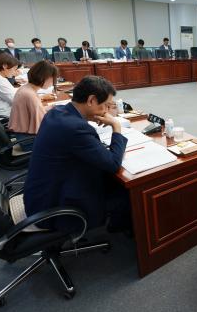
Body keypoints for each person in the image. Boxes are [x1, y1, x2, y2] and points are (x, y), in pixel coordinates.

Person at [23, 76, 130, 232]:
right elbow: (113, 164)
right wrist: (116, 126)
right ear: (91, 100)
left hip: (40, 196)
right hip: (53, 210)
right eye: (106, 106)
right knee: (127, 190)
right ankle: (115, 231)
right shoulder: (75, 128)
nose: (106, 111)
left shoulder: (57, 112)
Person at [9, 60, 59, 151]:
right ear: (44, 78)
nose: (53, 83)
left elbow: (33, 112)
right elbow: (43, 125)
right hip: (30, 141)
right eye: (53, 79)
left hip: (24, 136)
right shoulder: (29, 95)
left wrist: (49, 108)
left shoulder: (26, 88)